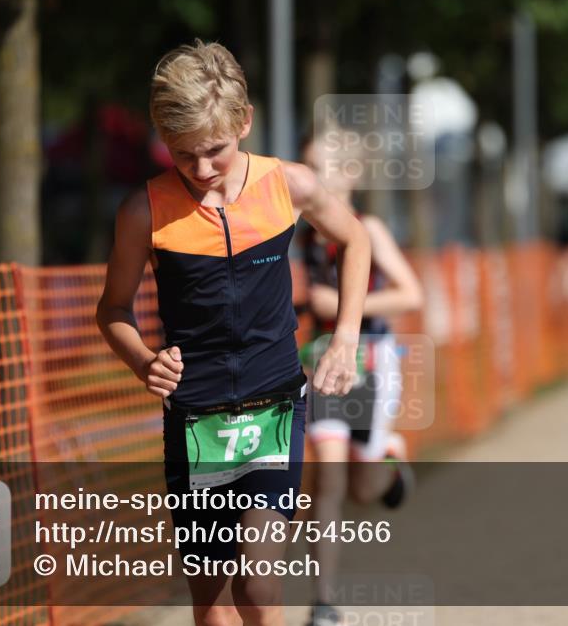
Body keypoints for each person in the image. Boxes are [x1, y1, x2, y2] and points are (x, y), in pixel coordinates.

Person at [96, 40, 371, 626]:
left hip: (274, 404)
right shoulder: (143, 211)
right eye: (182, 154)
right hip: (195, 417)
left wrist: (346, 336)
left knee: (255, 581)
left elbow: (356, 240)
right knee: (212, 598)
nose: (199, 169)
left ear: (244, 122)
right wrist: (143, 361)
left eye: (214, 151)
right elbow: (113, 310)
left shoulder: (288, 185)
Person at [299, 131, 424, 626]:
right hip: (320, 358)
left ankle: (389, 463)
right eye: (306, 166)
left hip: (371, 359)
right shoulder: (303, 234)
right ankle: (324, 601)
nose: (311, 178)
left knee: (363, 488)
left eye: (321, 168)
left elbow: (410, 294)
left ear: (350, 174)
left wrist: (347, 307)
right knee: (326, 477)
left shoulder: (367, 226)